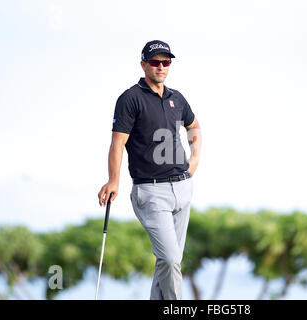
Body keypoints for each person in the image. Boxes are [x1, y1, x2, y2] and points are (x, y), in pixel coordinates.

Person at [97, 40, 202, 300]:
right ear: (144, 64)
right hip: (150, 191)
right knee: (170, 258)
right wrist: (113, 181)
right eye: (155, 62)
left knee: (168, 262)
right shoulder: (130, 98)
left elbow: (194, 127)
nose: (161, 67)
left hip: (182, 186)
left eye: (166, 62)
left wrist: (195, 160)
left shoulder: (177, 98)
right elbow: (117, 143)